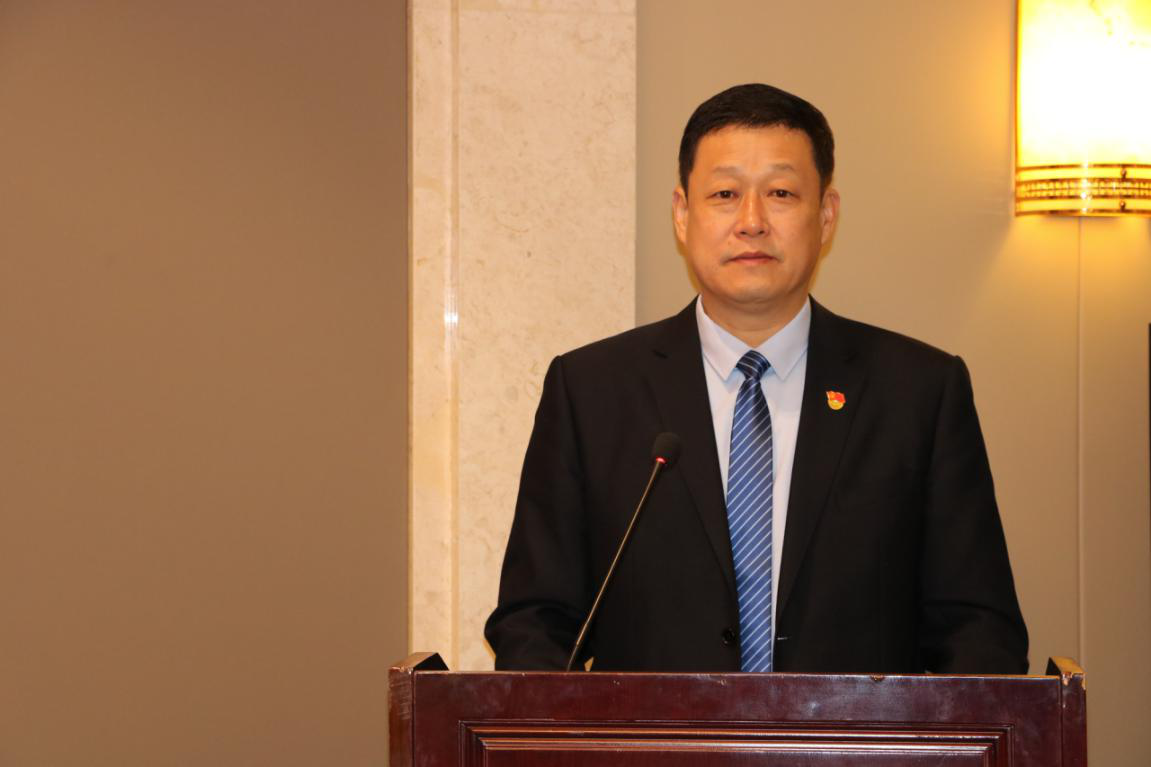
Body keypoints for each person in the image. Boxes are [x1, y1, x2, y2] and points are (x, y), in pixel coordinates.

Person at [484, 83, 1028, 674]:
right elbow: (534, 623)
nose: (752, 222)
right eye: (724, 194)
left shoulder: (919, 392)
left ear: (826, 216)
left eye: (781, 193)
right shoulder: (591, 391)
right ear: (682, 214)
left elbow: (979, 633)